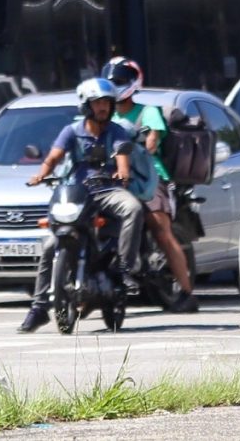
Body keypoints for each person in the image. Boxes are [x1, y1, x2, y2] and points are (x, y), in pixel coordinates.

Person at [16, 77, 147, 332]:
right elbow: (54, 156)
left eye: (107, 104)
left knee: (133, 208)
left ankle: (124, 269)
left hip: (107, 189)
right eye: (98, 103)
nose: (103, 108)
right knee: (49, 246)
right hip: (77, 193)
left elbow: (122, 157)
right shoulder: (72, 131)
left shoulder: (117, 131)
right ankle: (39, 307)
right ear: (86, 106)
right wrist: (41, 173)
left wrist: (122, 173)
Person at [106, 58, 196, 310]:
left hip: (148, 177)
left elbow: (153, 140)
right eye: (111, 83)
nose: (115, 88)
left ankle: (188, 294)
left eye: (120, 82)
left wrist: (144, 140)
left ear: (133, 84)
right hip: (113, 177)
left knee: (161, 230)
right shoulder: (104, 114)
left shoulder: (148, 112)